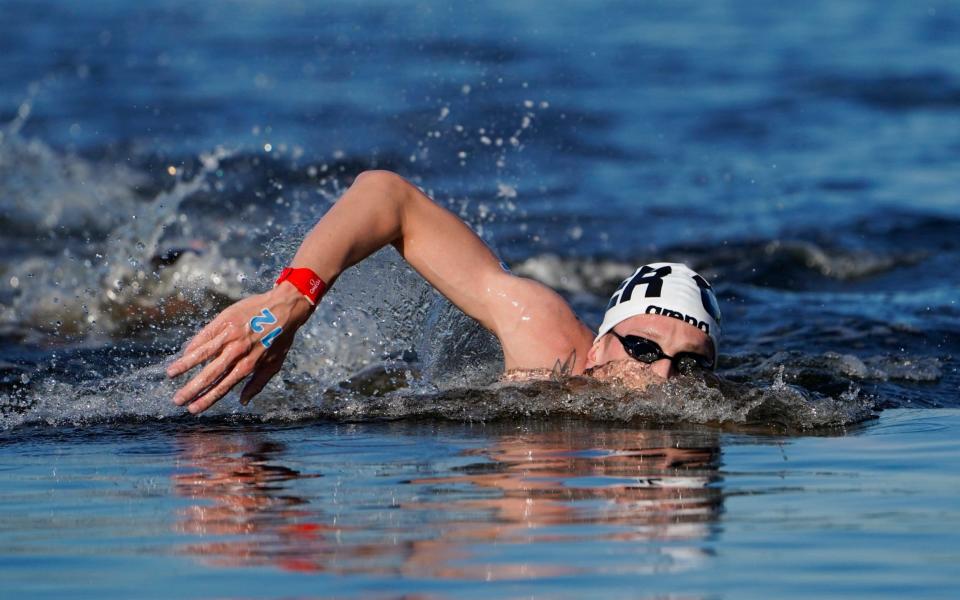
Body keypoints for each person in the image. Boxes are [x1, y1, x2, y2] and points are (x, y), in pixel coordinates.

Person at [166, 170, 722, 414]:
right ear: (600, 344)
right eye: (643, 349)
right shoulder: (540, 330)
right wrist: (291, 299)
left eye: (690, 366)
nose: (663, 378)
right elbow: (388, 197)